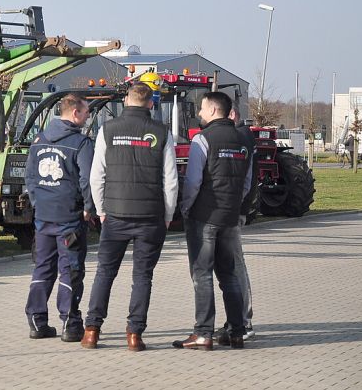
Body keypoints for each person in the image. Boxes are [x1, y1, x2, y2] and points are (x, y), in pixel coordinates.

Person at [81, 82, 177, 352]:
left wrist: (101, 210)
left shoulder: (107, 130)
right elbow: (170, 181)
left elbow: (96, 176)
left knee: (104, 273)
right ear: (151, 104)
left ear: (126, 101)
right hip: (150, 218)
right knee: (143, 277)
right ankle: (134, 335)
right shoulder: (161, 132)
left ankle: (92, 330)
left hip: (115, 216)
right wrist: (168, 214)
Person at [173, 91, 252, 351]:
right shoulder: (243, 141)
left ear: (214, 110)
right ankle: (237, 331)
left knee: (202, 274)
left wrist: (186, 208)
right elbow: (247, 183)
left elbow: (193, 181)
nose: (199, 113)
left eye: (202, 109)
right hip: (229, 218)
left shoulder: (202, 140)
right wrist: (234, 205)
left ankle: (203, 333)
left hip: (204, 217)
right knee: (229, 275)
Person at [23, 94, 95, 342]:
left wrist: (38, 203)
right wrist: (88, 207)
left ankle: (36, 320)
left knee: (43, 267)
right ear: (75, 113)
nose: (88, 117)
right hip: (69, 218)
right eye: (86, 113)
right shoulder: (81, 143)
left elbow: (30, 178)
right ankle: (70, 323)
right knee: (71, 270)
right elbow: (87, 180)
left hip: (43, 217)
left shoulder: (38, 140)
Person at [211, 107, 255, 343]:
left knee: (235, 264)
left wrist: (237, 206)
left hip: (231, 211)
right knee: (232, 265)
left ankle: (242, 321)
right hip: (233, 209)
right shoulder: (242, 137)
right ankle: (238, 319)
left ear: (229, 115)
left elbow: (245, 179)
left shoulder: (241, 137)